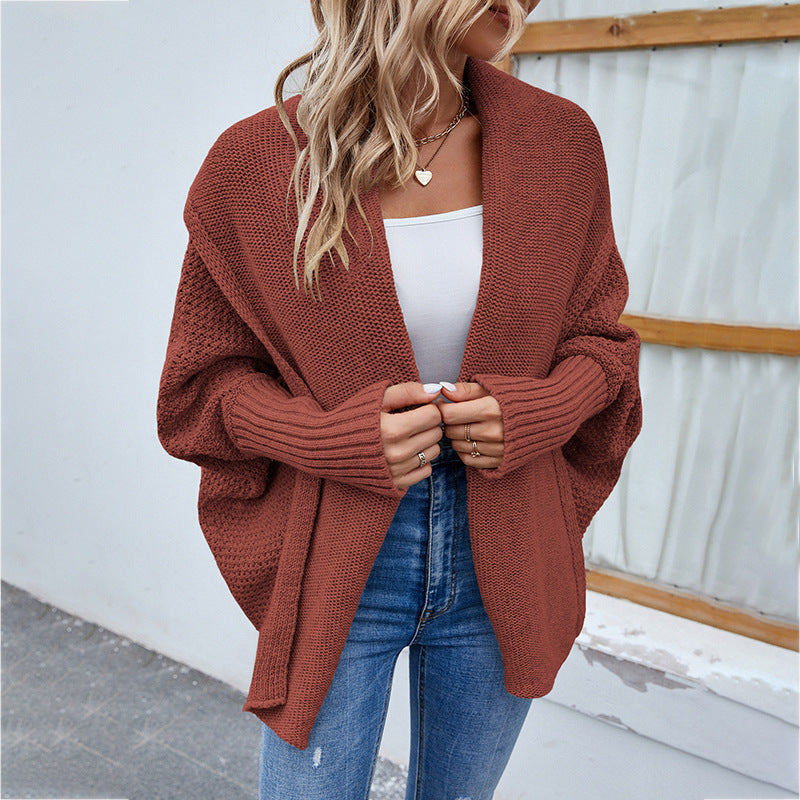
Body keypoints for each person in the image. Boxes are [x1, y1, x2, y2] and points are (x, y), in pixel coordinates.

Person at [156, 0, 643, 797]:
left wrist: (537, 412)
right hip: (342, 553)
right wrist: (324, 438)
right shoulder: (254, 165)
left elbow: (603, 346)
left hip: (508, 547)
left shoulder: (562, 143)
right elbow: (200, 389)